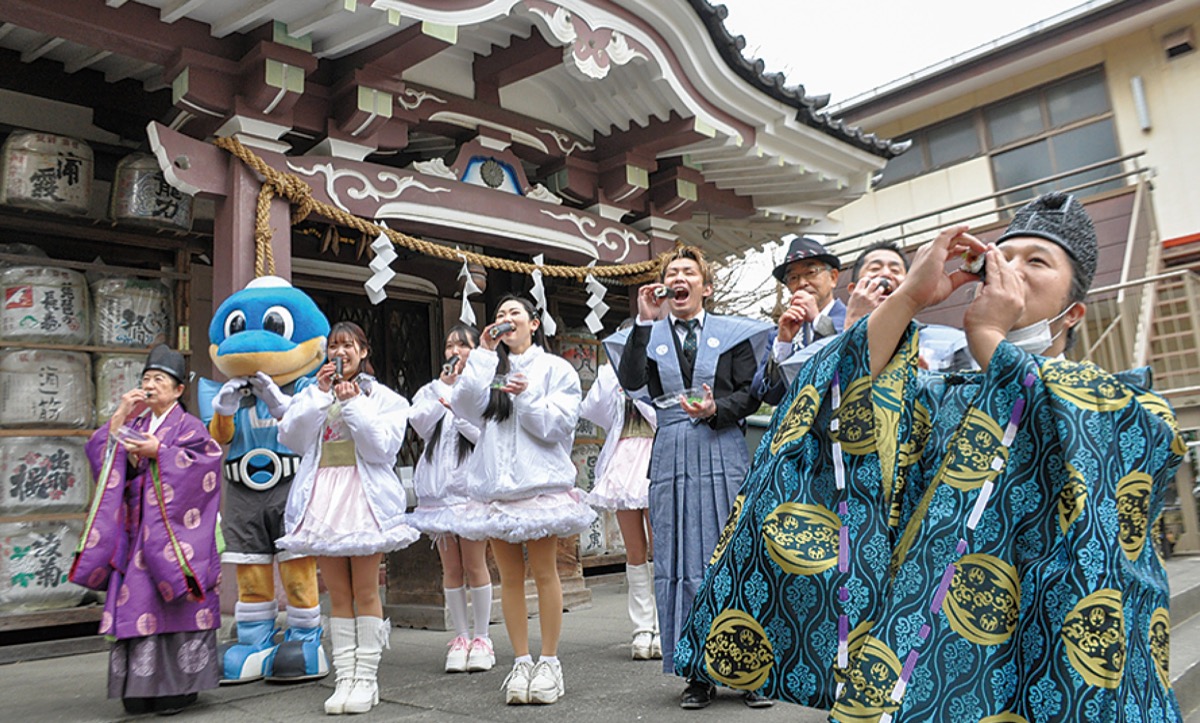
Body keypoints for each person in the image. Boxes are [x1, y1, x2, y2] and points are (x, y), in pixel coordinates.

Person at [674, 193, 1186, 721]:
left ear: (1074, 312)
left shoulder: (1126, 405)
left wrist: (989, 337)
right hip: (938, 677)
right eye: (1002, 257)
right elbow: (825, 405)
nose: (1010, 269)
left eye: (1037, 261)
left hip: (1051, 669)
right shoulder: (945, 397)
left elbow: (1090, 443)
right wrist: (911, 299)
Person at [611, 245, 773, 710]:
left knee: (735, 555)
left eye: (687, 271)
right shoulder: (646, 332)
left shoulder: (734, 334)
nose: (678, 277)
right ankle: (696, 673)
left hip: (722, 445)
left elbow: (751, 393)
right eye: (670, 272)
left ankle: (746, 668)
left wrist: (717, 408)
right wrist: (643, 320)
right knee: (678, 559)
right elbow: (631, 380)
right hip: (673, 450)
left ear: (705, 285)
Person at [451, 295, 595, 706]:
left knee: (546, 572)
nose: (506, 320)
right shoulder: (490, 366)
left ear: (534, 324)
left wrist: (527, 395)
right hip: (497, 489)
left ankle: (549, 662)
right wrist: (481, 354)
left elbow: (558, 426)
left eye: (515, 313)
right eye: (499, 314)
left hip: (540, 488)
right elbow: (463, 405)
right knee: (509, 579)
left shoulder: (556, 369)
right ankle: (521, 660)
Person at [276, 321, 420, 715]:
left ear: (364, 351)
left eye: (348, 345)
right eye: (334, 346)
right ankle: (345, 676)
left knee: (366, 590)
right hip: (322, 495)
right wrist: (321, 395)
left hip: (362, 497)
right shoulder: (313, 391)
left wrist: (354, 403)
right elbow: (291, 437)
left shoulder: (385, 398)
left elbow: (383, 449)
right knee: (337, 593)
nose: (340, 352)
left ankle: (367, 677)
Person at [71, 344, 223, 716]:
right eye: (146, 379)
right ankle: (137, 688)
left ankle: (180, 688)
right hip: (138, 530)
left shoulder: (189, 426)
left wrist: (162, 453)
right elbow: (100, 455)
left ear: (178, 390)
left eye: (159, 380)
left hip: (177, 533)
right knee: (136, 598)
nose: (151, 386)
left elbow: (208, 463)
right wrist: (121, 415)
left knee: (174, 601)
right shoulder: (134, 424)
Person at [408, 324, 494, 674]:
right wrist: (444, 392)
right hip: (439, 493)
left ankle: (483, 638)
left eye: (463, 344)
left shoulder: (482, 389)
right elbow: (420, 424)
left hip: (471, 491)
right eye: (449, 345)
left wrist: (459, 407)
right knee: (451, 569)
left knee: (476, 565)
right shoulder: (431, 389)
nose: (455, 350)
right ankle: (459, 638)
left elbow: (486, 435)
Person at [579, 333, 660, 660]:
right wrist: (610, 374)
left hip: (656, 452)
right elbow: (592, 409)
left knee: (661, 547)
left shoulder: (659, 367)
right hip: (624, 455)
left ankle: (665, 625)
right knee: (635, 549)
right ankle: (642, 627)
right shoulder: (611, 373)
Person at [752, 237, 845, 406]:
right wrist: (783, 344)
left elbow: (848, 369)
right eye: (793, 278)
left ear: (833, 277)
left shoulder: (852, 320)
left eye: (811, 273)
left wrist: (817, 320)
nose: (802, 283)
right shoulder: (779, 333)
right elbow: (767, 394)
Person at [842, 239, 909, 329]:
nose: (886, 274)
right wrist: (853, 323)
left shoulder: (928, 339)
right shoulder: (825, 343)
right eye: (875, 268)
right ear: (853, 289)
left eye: (895, 270)